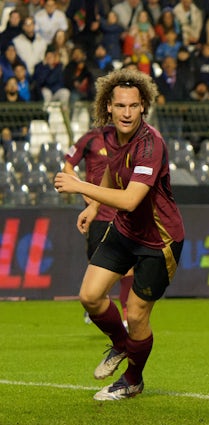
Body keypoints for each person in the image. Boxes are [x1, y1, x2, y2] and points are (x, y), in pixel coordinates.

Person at [53, 69, 185, 401]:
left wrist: (80, 187)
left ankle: (133, 380)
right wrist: (94, 207)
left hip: (159, 240)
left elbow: (130, 199)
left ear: (144, 108)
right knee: (91, 296)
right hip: (125, 229)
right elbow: (113, 172)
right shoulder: (108, 136)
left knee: (137, 314)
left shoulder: (150, 144)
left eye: (134, 106)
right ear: (108, 107)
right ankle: (121, 344)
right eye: (120, 105)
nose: (127, 113)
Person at [62, 127, 134, 327]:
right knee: (98, 262)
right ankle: (94, 304)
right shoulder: (89, 139)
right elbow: (68, 166)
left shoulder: (128, 139)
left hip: (122, 211)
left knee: (128, 268)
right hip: (98, 215)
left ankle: (126, 315)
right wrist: (82, 189)